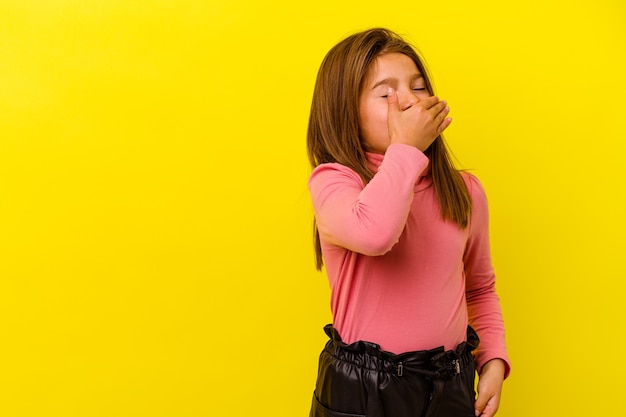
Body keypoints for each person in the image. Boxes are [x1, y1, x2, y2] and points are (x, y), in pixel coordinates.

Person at [306, 28, 510, 417]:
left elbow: (480, 287)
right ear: (344, 110)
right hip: (363, 387)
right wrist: (406, 149)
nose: (410, 102)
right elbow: (376, 232)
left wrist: (493, 360)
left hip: (450, 381)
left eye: (419, 88)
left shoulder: (465, 192)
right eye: (386, 94)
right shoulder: (334, 182)